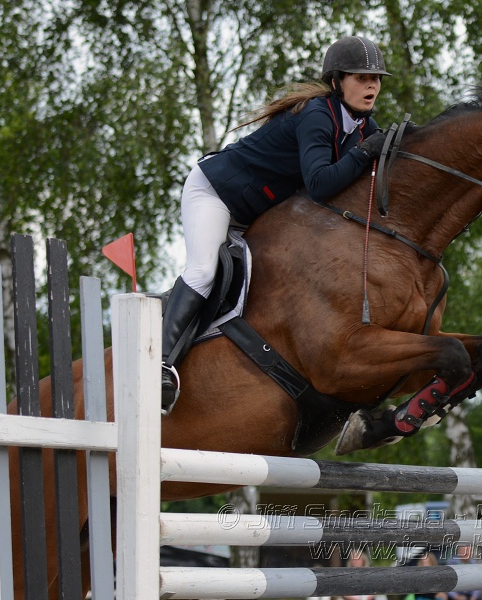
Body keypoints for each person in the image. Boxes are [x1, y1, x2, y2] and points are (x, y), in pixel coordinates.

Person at [160, 36, 390, 413]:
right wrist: (365, 154)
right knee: (203, 269)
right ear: (337, 81)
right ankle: (161, 364)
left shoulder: (363, 126)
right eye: (361, 77)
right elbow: (319, 185)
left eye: (376, 79)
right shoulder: (318, 115)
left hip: (257, 211)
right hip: (217, 193)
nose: (371, 86)